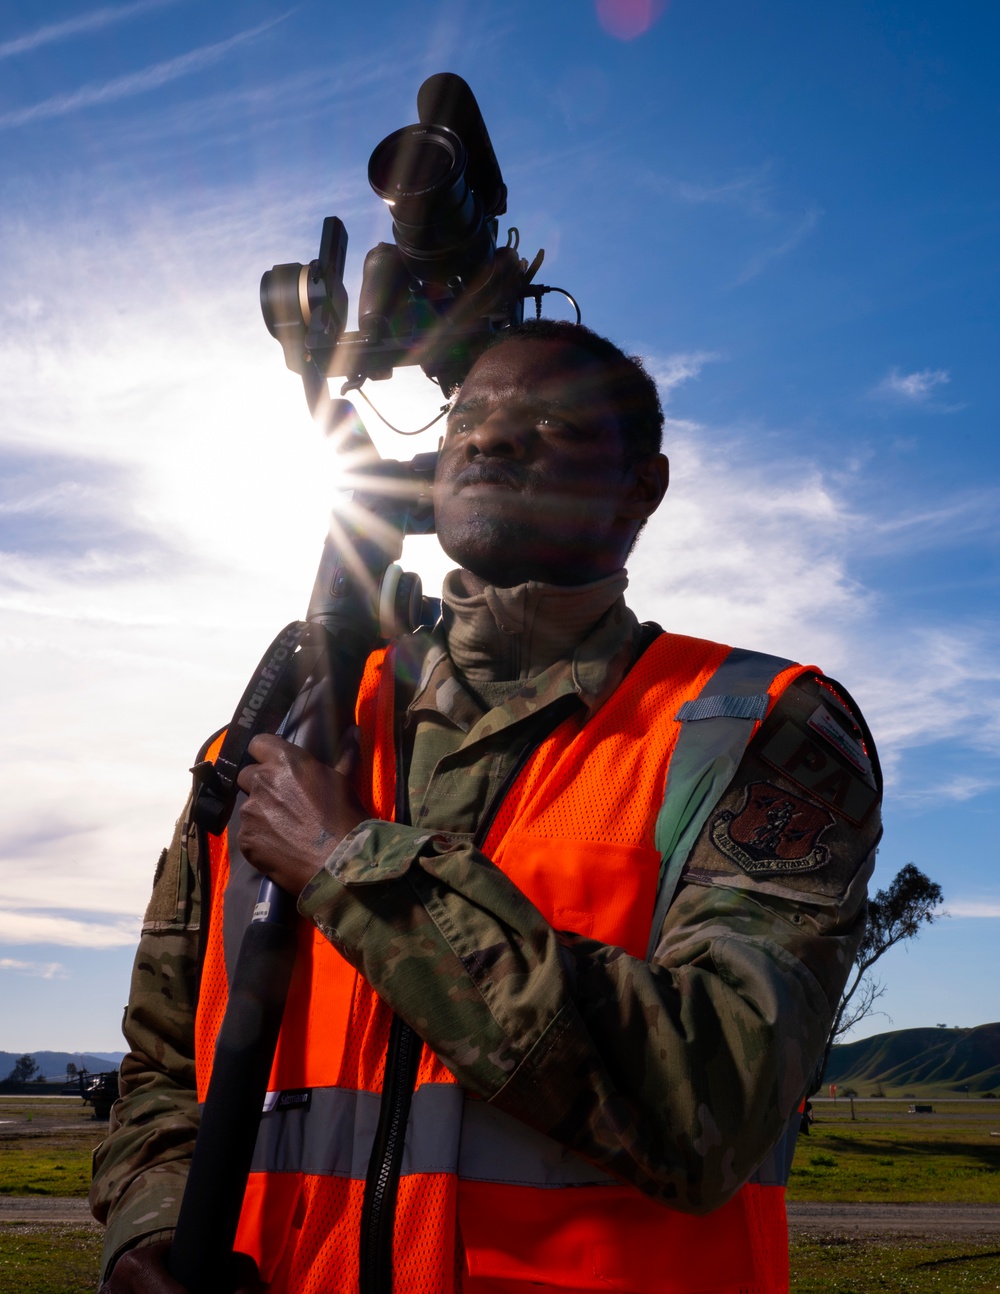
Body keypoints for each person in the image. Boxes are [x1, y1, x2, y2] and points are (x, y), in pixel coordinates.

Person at [91, 320, 882, 1294]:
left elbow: (713, 1101)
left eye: (550, 423)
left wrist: (352, 864)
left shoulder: (757, 728)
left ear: (646, 486)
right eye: (469, 416)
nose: (489, 438)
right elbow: (165, 1065)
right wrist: (149, 1226)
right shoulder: (263, 749)